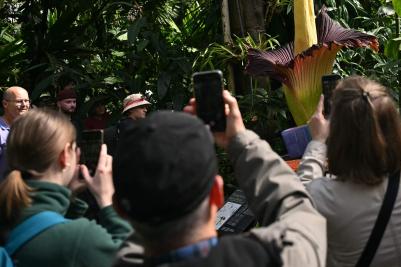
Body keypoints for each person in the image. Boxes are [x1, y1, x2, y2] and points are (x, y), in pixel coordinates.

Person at [111, 90, 326, 266]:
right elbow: (304, 219)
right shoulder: (269, 258)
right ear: (217, 193)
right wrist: (242, 143)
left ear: (120, 208)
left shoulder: (118, 259)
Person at [297, 76, 401, 267]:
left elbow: (296, 204)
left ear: (338, 135)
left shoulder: (325, 198)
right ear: (393, 123)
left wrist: (317, 141)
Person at [0, 109, 132, 266]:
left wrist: (68, 198)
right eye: (75, 149)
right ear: (64, 156)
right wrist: (107, 199)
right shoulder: (80, 238)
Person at [0, 86, 30, 178]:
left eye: (27, 101)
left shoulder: (31, 128)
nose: (24, 105)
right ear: (5, 104)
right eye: (19, 101)